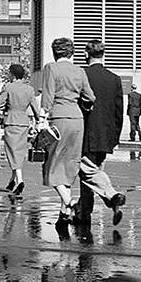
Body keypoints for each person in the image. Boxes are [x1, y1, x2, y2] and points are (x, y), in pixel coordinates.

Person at [40, 38, 96, 228]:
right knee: (70, 164)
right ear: (71, 53)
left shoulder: (51, 68)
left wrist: (41, 118)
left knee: (53, 163)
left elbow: (47, 96)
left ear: (54, 52)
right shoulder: (79, 71)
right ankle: (63, 215)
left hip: (59, 118)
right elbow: (90, 96)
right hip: (77, 119)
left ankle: (71, 202)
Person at [76, 39, 127, 227]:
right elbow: (118, 111)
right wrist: (115, 137)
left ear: (85, 54)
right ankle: (86, 211)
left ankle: (102, 202)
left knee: (87, 173)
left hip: (85, 131)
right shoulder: (114, 78)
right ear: (103, 54)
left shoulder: (81, 75)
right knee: (94, 172)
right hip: (105, 134)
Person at [0, 63, 41, 197]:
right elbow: (35, 108)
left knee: (11, 151)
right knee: (19, 151)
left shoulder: (8, 87)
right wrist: (38, 121)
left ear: (12, 75)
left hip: (11, 121)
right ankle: (12, 181)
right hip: (23, 122)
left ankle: (20, 180)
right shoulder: (29, 89)